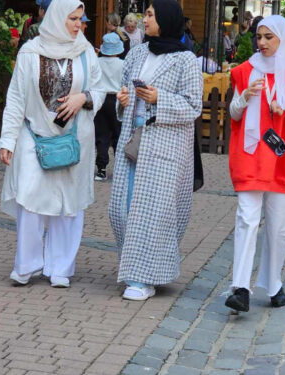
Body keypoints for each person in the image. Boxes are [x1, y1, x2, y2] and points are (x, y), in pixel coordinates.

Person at [0, 0, 105, 288]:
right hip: (34, 136)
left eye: (80, 19)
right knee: (30, 198)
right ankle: (27, 264)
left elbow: (100, 87)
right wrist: (7, 139)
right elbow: (17, 97)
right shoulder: (30, 52)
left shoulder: (85, 52)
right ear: (57, 18)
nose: (77, 25)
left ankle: (60, 267)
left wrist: (84, 98)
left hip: (75, 139)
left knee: (69, 205)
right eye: (72, 18)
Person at [223, 14, 285, 312]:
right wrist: (244, 98)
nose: (262, 42)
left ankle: (273, 283)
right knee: (247, 219)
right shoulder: (245, 71)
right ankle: (240, 287)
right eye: (259, 37)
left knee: (279, 227)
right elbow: (234, 113)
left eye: (269, 37)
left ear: (283, 39)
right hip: (251, 155)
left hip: (281, 157)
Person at [109, 0, 202, 301]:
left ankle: (142, 278)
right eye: (144, 13)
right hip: (133, 141)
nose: (143, 19)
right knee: (120, 212)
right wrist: (122, 102)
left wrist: (159, 97)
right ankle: (135, 268)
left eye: (149, 14)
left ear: (165, 19)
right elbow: (122, 95)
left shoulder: (186, 60)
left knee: (152, 215)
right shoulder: (135, 54)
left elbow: (192, 106)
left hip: (165, 147)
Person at [94, 33, 125, 180]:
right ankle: (120, 169)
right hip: (117, 99)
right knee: (118, 134)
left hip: (101, 99)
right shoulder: (122, 64)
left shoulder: (97, 62)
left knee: (102, 135)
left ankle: (101, 168)